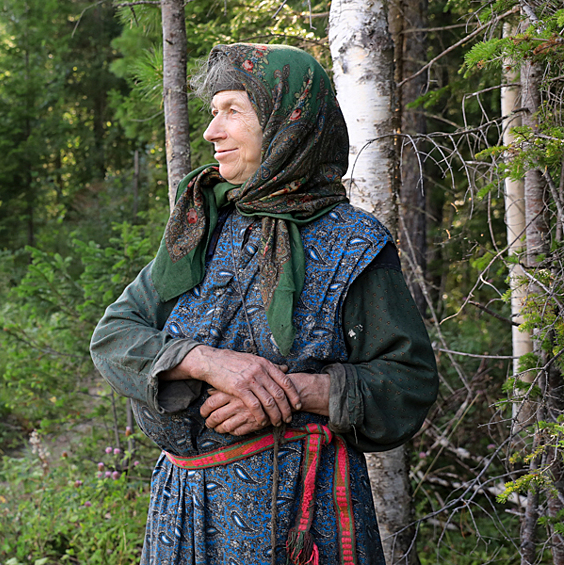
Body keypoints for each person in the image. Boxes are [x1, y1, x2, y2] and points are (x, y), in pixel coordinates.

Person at [90, 43, 438, 565]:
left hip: (301, 517)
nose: (212, 131)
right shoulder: (199, 228)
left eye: (233, 111)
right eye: (213, 113)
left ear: (287, 123)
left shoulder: (353, 243)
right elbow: (115, 336)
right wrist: (208, 362)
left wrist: (294, 392)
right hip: (184, 515)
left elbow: (408, 385)